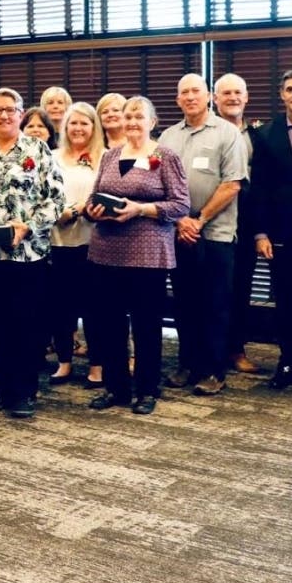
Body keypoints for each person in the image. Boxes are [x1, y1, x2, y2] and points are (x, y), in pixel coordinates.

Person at [0, 88, 64, 418]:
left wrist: (28, 226)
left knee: (27, 325)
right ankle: (2, 387)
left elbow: (56, 199)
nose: (4, 115)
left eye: (11, 109)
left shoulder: (38, 149)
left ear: (21, 114)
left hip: (28, 255)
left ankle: (24, 392)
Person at [85, 96, 190, 415]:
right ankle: (115, 389)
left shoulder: (165, 156)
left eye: (139, 116)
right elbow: (94, 196)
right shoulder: (110, 155)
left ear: (152, 122)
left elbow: (181, 204)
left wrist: (140, 209)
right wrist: (94, 211)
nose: (132, 121)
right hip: (106, 252)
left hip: (148, 255)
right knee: (109, 325)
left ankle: (147, 389)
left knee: (146, 326)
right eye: (127, 115)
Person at [159, 73, 247, 396]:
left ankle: (213, 370)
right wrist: (182, 220)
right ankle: (188, 363)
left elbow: (232, 184)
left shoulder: (227, 133)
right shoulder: (167, 137)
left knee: (215, 304)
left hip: (216, 235)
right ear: (178, 100)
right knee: (184, 303)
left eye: (196, 91)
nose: (191, 97)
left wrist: (198, 219)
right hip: (177, 233)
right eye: (184, 92)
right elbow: (160, 185)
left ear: (208, 95)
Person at [251, 70, 292, 390]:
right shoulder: (266, 135)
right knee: (286, 302)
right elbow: (259, 189)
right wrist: (260, 234)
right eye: (290, 89)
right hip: (281, 235)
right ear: (282, 94)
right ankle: (288, 363)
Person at [47, 102, 104, 388]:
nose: (78, 128)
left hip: (95, 244)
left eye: (85, 123)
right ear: (64, 127)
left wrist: (89, 208)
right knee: (61, 307)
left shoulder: (104, 158)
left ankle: (96, 366)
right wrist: (64, 212)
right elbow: (43, 196)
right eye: (73, 123)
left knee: (95, 307)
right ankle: (64, 362)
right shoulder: (52, 157)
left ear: (94, 127)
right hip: (57, 243)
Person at [212, 73, 262, 374]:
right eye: (225, 93)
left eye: (237, 93)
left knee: (240, 287)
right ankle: (208, 349)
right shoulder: (208, 132)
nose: (232, 98)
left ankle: (235, 349)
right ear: (215, 99)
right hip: (213, 217)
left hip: (246, 221)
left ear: (246, 97)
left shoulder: (259, 135)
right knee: (211, 290)